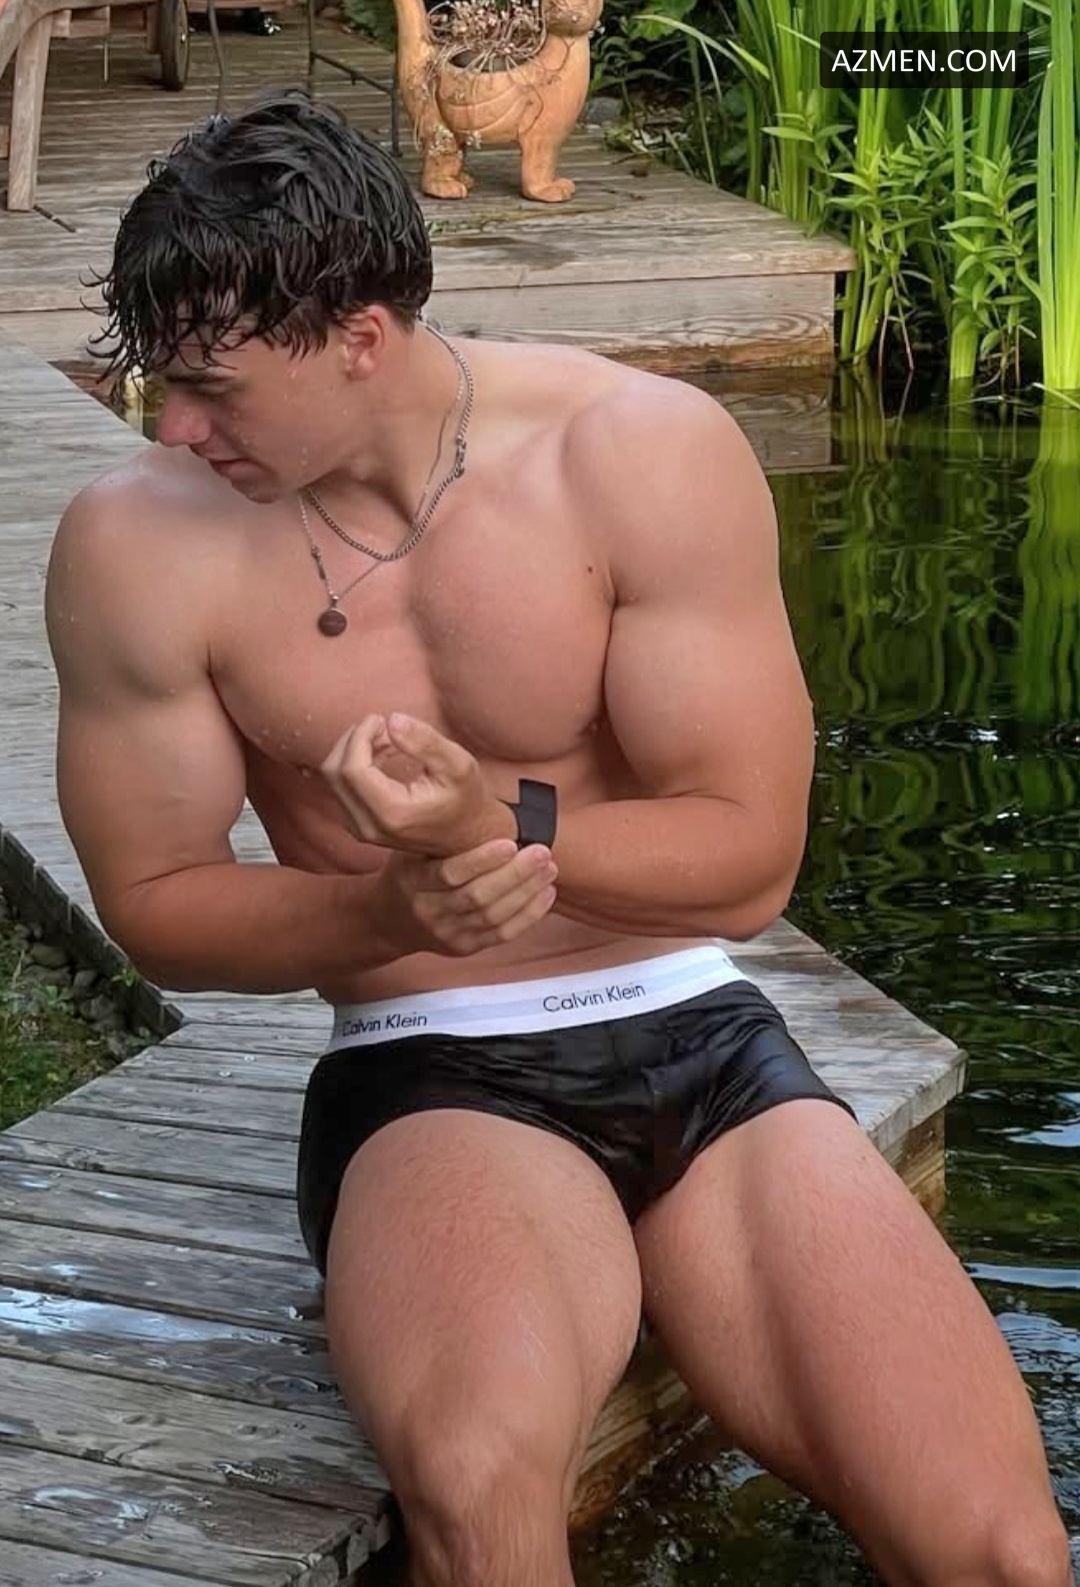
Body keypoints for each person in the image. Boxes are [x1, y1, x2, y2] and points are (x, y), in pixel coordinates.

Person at [46, 93, 1070, 1587]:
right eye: (161, 383)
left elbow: (748, 861)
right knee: (478, 1493)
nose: (174, 428)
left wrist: (497, 824)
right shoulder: (137, 542)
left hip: (694, 1033)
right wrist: (388, 912)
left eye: (212, 389)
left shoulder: (636, 453)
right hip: (431, 1065)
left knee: (1005, 1554)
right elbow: (155, 901)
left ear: (360, 335)